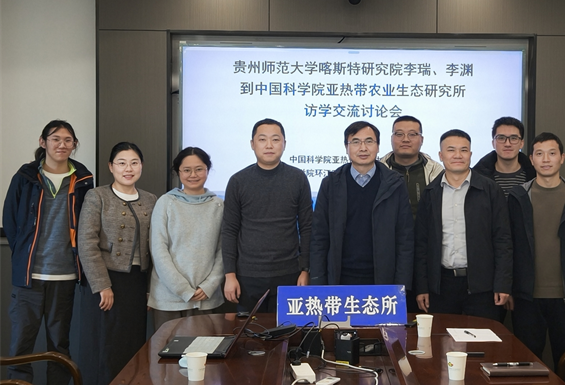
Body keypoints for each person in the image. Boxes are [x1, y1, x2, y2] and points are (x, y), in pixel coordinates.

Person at [2, 120, 93, 385]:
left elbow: (88, 226)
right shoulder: (26, 176)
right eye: (55, 139)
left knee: (59, 347)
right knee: (21, 345)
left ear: (74, 144)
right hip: (29, 276)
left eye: (68, 140)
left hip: (65, 276)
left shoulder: (84, 179)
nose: (62, 145)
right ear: (43, 142)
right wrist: (24, 255)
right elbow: (10, 221)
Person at [507, 132, 565, 385]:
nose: (546, 159)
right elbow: (509, 245)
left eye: (552, 153)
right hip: (526, 296)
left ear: (562, 158)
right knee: (526, 359)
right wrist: (509, 287)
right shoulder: (518, 196)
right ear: (531, 159)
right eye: (539, 154)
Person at [77, 141, 157, 385]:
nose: (128, 168)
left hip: (136, 282)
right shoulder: (97, 196)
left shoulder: (150, 199)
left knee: (132, 343)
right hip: (105, 281)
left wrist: (150, 289)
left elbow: (154, 248)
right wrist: (102, 285)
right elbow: (86, 242)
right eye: (121, 163)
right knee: (105, 345)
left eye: (134, 163)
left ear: (141, 166)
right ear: (111, 167)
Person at [413, 129, 511, 320]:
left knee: (484, 337)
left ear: (471, 154)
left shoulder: (490, 190)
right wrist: (422, 287)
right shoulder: (431, 193)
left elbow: (503, 240)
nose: (458, 155)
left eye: (463, 150)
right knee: (442, 337)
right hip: (442, 286)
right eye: (451, 150)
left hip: (483, 286)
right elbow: (422, 244)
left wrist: (503, 284)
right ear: (441, 155)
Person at [222, 119, 313, 312]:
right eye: (262, 139)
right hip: (248, 276)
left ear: (284, 144)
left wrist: (305, 269)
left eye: (275, 139)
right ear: (252, 144)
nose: (269, 145)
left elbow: (307, 227)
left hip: (289, 273)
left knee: (289, 329)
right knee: (249, 331)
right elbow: (229, 230)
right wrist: (230, 275)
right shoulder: (238, 181)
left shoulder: (297, 178)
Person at [310, 121, 413, 287]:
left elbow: (404, 239)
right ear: (346, 147)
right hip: (340, 278)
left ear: (378, 146)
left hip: (383, 279)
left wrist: (402, 285)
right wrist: (317, 282)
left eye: (369, 141)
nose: (363, 148)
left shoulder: (394, 184)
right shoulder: (331, 184)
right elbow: (319, 237)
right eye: (356, 142)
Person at [149, 147, 225, 329]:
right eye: (186, 170)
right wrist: (183, 289)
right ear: (178, 172)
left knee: (205, 347)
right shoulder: (165, 202)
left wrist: (209, 286)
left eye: (199, 169)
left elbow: (224, 251)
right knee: (167, 348)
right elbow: (158, 249)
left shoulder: (219, 205)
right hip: (168, 300)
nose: (193, 175)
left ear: (207, 170)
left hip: (206, 298)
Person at [379, 115, 443, 219]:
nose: (405, 139)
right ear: (391, 138)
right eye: (399, 134)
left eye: (412, 134)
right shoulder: (379, 170)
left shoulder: (436, 172)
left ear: (421, 139)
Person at [474, 116, 536, 198]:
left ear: (521, 143)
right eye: (501, 138)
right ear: (493, 143)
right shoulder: (477, 177)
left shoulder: (535, 175)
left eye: (513, 138)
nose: (507, 144)